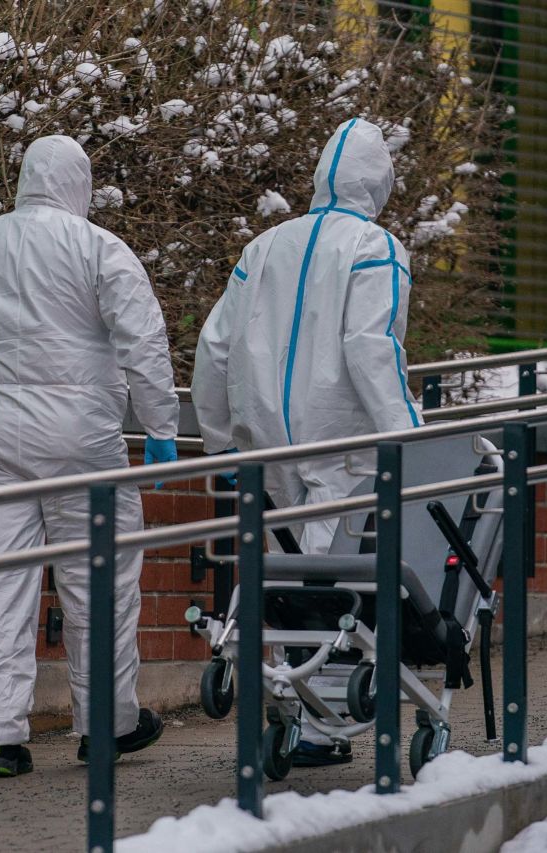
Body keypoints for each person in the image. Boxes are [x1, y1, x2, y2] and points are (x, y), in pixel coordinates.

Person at [0, 134, 180, 778]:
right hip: (84, 442)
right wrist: (161, 426)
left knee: (1, 585)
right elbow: (143, 343)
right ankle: (107, 726)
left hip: (0, 438)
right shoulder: (99, 249)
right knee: (100, 583)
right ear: (80, 184)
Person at [192, 117, 420, 765]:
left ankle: (293, 715)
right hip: (340, 441)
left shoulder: (263, 248)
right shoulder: (375, 247)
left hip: (264, 442)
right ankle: (317, 723)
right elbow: (372, 347)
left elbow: (214, 348)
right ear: (379, 179)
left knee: (287, 576)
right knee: (330, 589)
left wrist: (218, 442)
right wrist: (406, 435)